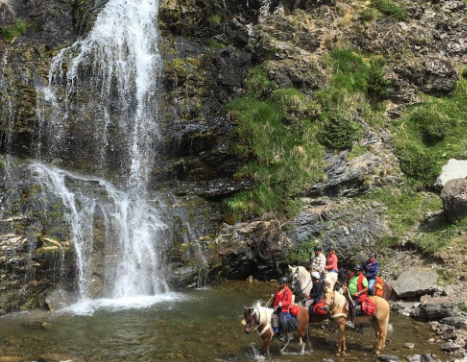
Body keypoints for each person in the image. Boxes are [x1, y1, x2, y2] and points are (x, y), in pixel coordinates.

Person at [346, 264, 369, 329]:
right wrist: (346, 286)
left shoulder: (362, 278)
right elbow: (348, 283)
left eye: (357, 271)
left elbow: (367, 288)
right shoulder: (351, 275)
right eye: (355, 270)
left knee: (352, 305)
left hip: (358, 296)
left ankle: (352, 322)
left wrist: (359, 292)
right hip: (349, 294)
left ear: (360, 271)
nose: (355, 272)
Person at [273, 276, 293, 341]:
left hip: (284, 309)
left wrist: (282, 303)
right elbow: (277, 296)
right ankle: (276, 329)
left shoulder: (289, 292)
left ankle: (283, 334)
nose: (280, 284)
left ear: (285, 284)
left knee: (281, 320)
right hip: (277, 307)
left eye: (281, 283)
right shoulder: (279, 289)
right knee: (273, 316)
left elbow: (289, 302)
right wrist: (274, 295)